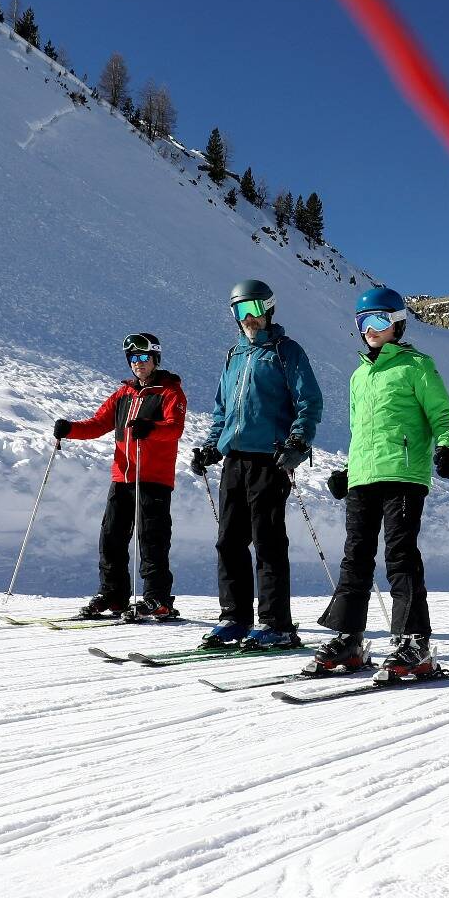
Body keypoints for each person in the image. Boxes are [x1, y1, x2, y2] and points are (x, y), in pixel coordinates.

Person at [311, 287, 449, 678]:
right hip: (365, 477)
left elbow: (442, 414)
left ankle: (414, 643)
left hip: (404, 474)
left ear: (397, 323)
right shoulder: (359, 375)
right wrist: (349, 470)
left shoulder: (417, 365)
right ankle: (348, 639)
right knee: (355, 557)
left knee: (400, 555)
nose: (370, 329)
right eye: (363, 322)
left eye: (378, 320)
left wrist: (447, 447)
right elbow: (361, 433)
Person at [191, 279, 325, 651]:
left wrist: (298, 442)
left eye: (253, 309)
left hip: (271, 458)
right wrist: (212, 446)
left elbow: (309, 402)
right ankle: (234, 617)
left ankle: (276, 624)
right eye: (240, 311)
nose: (248, 318)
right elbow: (222, 409)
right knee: (229, 541)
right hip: (235, 459)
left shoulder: (286, 351)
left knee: (267, 541)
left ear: (268, 309)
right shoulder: (234, 354)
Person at [53, 333, 186, 619]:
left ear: (155, 359)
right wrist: (70, 430)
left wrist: (151, 428)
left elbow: (175, 428)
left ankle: (157, 598)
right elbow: (98, 424)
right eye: (133, 358)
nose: (138, 363)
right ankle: (113, 595)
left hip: (153, 478)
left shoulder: (169, 392)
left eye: (144, 357)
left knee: (152, 539)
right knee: (111, 537)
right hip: (123, 477)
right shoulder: (123, 394)